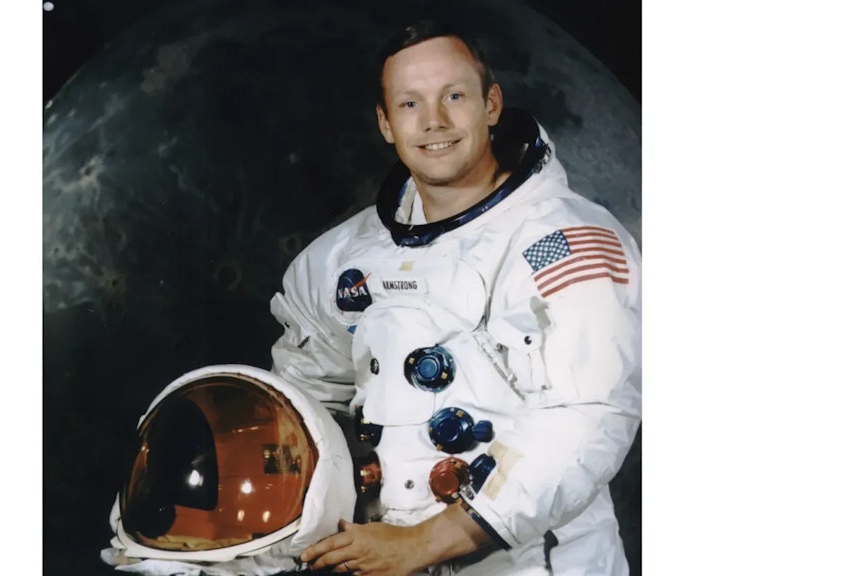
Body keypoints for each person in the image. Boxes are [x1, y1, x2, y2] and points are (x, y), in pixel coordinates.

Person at [269, 19, 641, 576]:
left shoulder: (561, 243)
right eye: (410, 104)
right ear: (386, 124)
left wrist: (426, 541)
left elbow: (587, 419)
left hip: (535, 563)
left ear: (492, 105)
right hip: (385, 555)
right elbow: (301, 406)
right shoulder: (338, 261)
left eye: (455, 96)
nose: (434, 122)